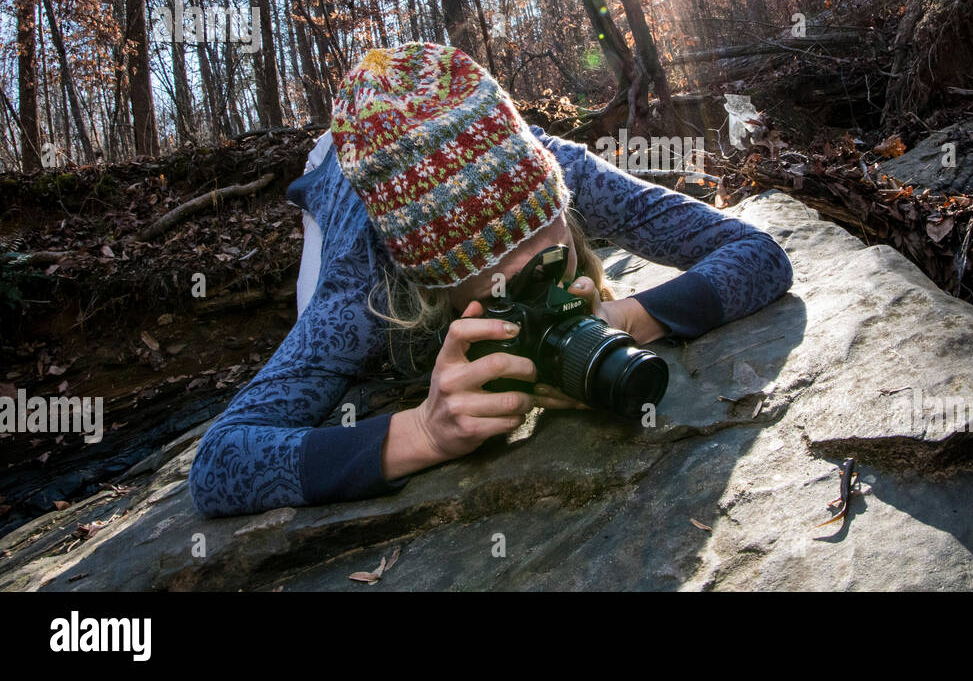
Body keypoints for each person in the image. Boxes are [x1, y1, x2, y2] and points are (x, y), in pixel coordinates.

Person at [189, 42, 793, 517]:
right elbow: (220, 462)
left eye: (552, 264)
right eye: (501, 290)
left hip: (470, 141)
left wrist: (626, 318)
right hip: (333, 181)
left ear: (561, 206)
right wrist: (422, 431)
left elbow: (757, 251)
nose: (546, 295)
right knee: (339, 359)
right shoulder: (361, 280)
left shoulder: (558, 171)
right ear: (437, 288)